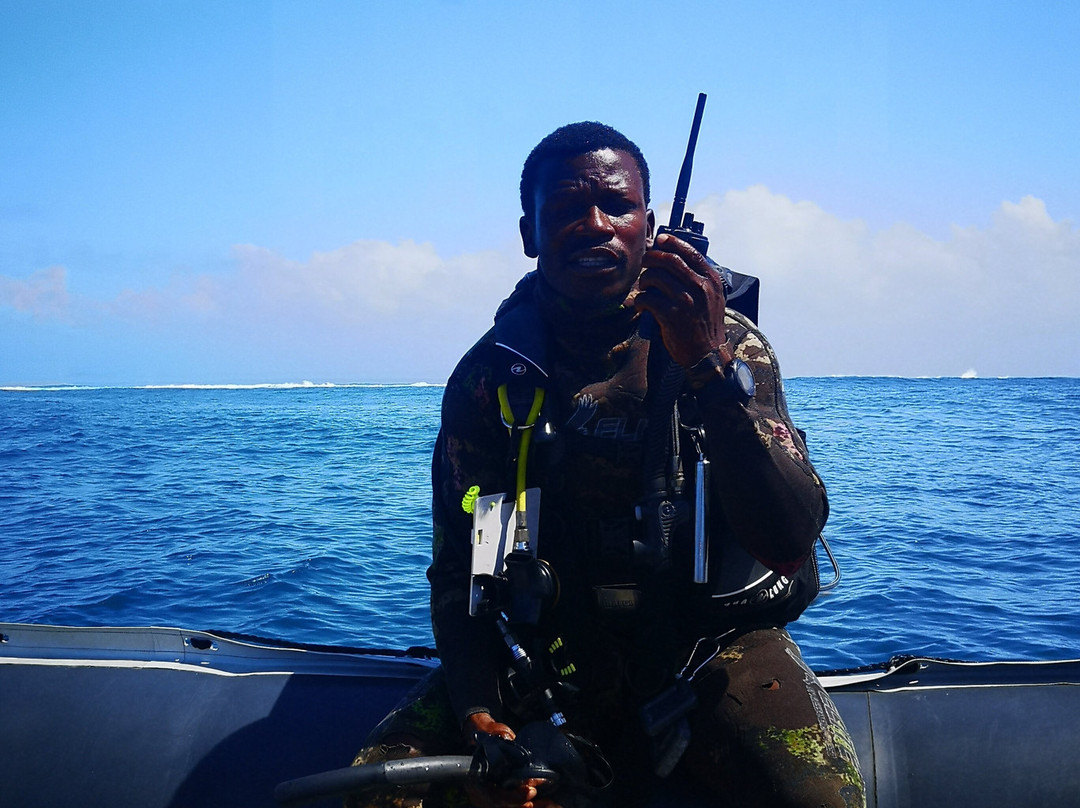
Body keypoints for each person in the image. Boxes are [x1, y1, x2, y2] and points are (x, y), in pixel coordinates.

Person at [348, 122, 864, 808]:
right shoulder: (488, 381)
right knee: (375, 792)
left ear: (650, 225)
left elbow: (790, 539)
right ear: (530, 233)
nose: (593, 225)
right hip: (546, 657)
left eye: (616, 207)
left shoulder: (735, 347)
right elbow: (458, 579)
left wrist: (708, 365)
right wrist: (479, 719)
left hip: (709, 649)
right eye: (564, 210)